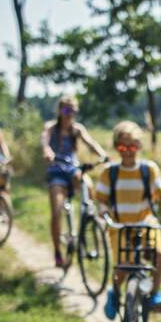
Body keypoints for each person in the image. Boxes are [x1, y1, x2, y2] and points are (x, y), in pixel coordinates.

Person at [94, 120, 161, 318]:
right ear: (116, 147)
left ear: (139, 146)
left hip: (146, 223)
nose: (128, 151)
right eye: (122, 147)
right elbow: (101, 199)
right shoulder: (109, 172)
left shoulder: (149, 170)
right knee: (124, 266)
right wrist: (102, 210)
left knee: (157, 257)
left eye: (132, 147)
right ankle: (114, 292)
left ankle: (154, 294)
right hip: (120, 226)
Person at [40, 94, 110, 267]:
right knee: (57, 211)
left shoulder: (77, 129)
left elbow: (90, 143)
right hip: (56, 171)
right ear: (59, 111)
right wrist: (47, 152)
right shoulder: (51, 128)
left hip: (73, 170)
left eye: (73, 111)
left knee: (88, 184)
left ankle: (90, 217)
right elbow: (45, 141)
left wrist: (103, 155)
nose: (70, 114)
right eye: (66, 110)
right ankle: (57, 251)